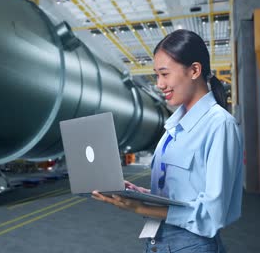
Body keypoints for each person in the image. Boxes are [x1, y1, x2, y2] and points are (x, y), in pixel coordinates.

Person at [92, 29, 243, 253]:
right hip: (157, 241)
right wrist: (141, 194)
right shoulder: (173, 127)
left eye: (165, 74)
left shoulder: (220, 125)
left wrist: (141, 207)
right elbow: (179, 194)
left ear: (194, 70)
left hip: (192, 245)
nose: (159, 84)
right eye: (157, 75)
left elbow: (212, 215)